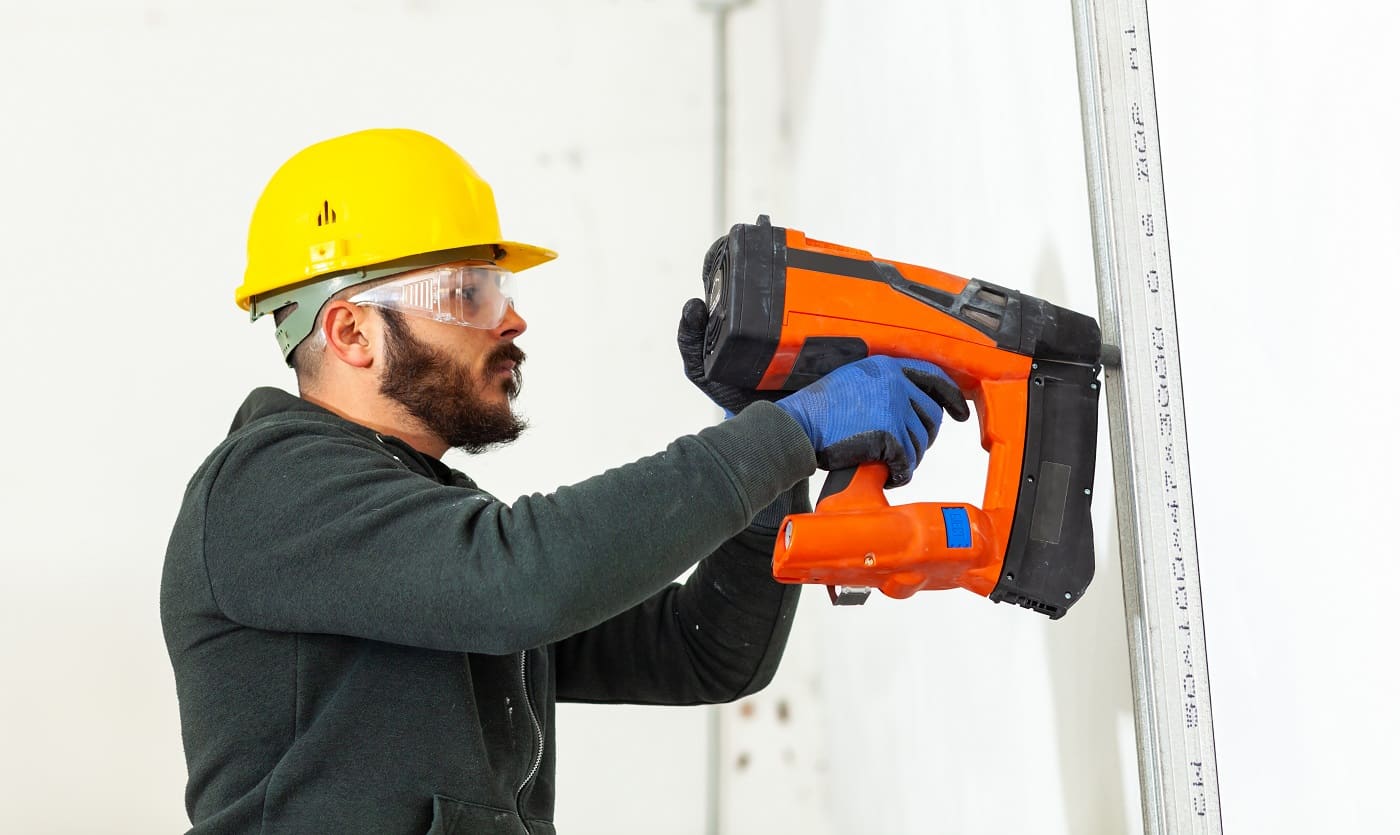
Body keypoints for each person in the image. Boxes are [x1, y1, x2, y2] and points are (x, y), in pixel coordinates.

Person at [160, 128, 966, 834]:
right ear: (351, 330)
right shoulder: (264, 487)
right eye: (466, 291)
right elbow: (523, 577)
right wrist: (788, 428)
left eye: (499, 289)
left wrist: (771, 462)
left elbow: (703, 652)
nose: (510, 319)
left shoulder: (426, 533)